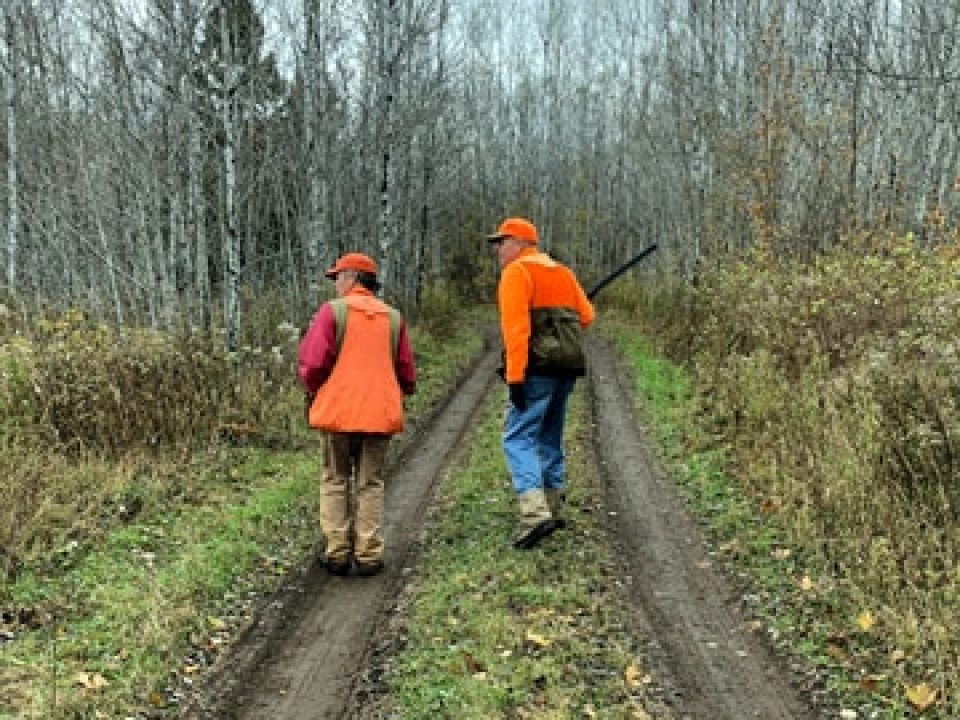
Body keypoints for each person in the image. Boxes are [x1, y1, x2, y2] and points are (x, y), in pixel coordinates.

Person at [298, 252, 417, 576]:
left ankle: (337, 552)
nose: (335, 283)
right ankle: (368, 555)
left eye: (337, 276)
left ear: (351, 277)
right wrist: (402, 391)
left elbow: (312, 363)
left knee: (335, 479)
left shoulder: (332, 312)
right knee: (371, 483)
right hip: (379, 415)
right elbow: (406, 371)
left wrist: (312, 390)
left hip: (338, 413)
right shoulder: (393, 317)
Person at [487, 217, 595, 549]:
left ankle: (534, 515)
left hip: (537, 370)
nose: (498, 250)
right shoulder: (562, 272)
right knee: (549, 434)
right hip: (566, 368)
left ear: (520, 243)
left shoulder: (517, 273)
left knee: (517, 437)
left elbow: (516, 332)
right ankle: (553, 503)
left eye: (501, 242)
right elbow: (586, 315)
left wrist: (515, 379)